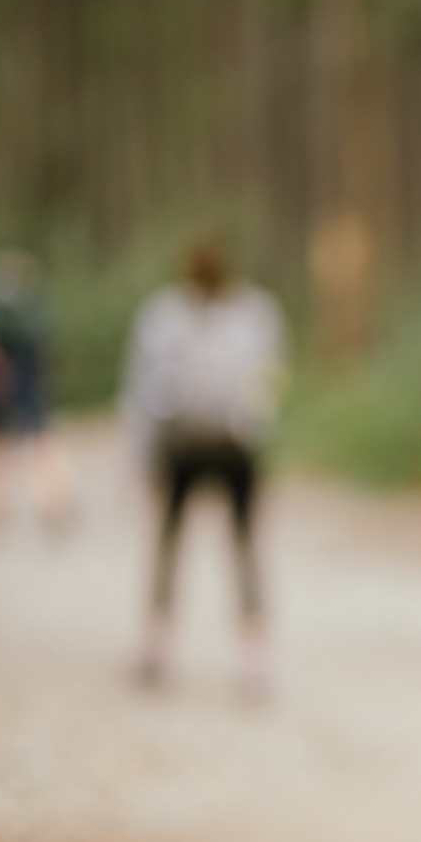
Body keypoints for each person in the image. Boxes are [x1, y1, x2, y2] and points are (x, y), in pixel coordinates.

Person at [120, 238, 286, 694]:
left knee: (181, 546)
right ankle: (246, 652)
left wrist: (142, 456)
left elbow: (143, 390)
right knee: (233, 547)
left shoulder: (166, 316)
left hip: (196, 444)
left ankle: (163, 644)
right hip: (222, 445)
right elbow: (268, 382)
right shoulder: (253, 314)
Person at [0, 249, 75, 532]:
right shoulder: (33, 306)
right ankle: (49, 500)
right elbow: (48, 347)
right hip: (29, 381)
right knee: (39, 441)